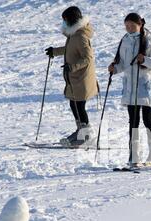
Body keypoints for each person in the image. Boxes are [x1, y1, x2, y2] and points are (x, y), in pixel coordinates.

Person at [108, 13, 151, 165]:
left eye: (132, 25)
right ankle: (134, 155)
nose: (129, 28)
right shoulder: (124, 40)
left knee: (147, 119)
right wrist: (115, 68)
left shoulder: (148, 39)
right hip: (130, 88)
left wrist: (144, 59)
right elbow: (123, 64)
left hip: (146, 86)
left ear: (139, 25)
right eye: (127, 26)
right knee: (133, 121)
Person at [45, 6, 98, 146]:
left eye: (65, 20)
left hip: (82, 78)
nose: (63, 23)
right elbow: (70, 50)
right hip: (76, 78)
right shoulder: (74, 35)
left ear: (72, 20)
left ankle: (87, 135)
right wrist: (54, 51)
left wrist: (72, 67)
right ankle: (81, 130)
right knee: (74, 104)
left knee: (79, 105)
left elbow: (88, 57)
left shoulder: (80, 36)